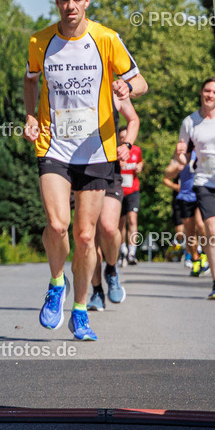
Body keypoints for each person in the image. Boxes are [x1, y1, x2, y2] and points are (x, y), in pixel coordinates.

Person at [23, 0, 147, 341]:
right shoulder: (40, 41)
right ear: (56, 0)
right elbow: (31, 80)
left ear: (87, 1)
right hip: (54, 145)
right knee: (58, 225)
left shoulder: (106, 39)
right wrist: (30, 116)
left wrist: (127, 87)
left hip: (97, 150)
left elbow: (140, 82)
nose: (70, 5)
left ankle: (80, 310)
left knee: (84, 235)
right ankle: (56, 283)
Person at [174, 77, 215, 300]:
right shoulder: (190, 122)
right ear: (201, 92)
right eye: (207, 91)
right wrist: (181, 154)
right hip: (205, 182)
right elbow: (183, 157)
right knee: (212, 231)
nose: (210, 95)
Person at [88, 100, 139, 311]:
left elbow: (138, 88)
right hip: (78, 170)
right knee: (88, 238)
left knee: (110, 228)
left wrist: (127, 146)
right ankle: (97, 291)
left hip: (109, 171)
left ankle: (111, 269)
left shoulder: (111, 86)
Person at [163, 154, 208, 277]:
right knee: (189, 232)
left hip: (201, 194)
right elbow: (167, 173)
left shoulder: (203, 150)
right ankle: (195, 260)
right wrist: (178, 167)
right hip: (185, 197)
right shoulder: (182, 154)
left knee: (201, 226)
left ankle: (204, 254)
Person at [117, 124, 143, 266]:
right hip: (119, 190)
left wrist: (140, 167)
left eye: (125, 137)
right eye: (121, 138)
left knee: (132, 220)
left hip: (133, 189)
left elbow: (140, 162)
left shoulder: (136, 150)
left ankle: (132, 253)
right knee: (120, 223)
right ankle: (123, 251)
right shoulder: (115, 152)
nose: (123, 140)